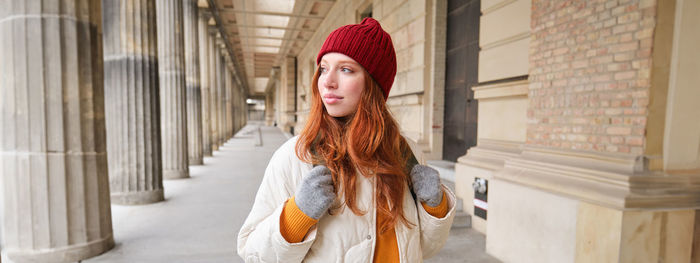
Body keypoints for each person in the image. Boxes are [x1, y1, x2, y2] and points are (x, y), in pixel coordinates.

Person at [237, 17, 456, 263]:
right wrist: (295, 217)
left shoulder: (406, 153)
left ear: (373, 85)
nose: (327, 82)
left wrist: (435, 208)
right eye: (323, 68)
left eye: (345, 69)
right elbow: (253, 254)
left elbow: (423, 247)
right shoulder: (295, 156)